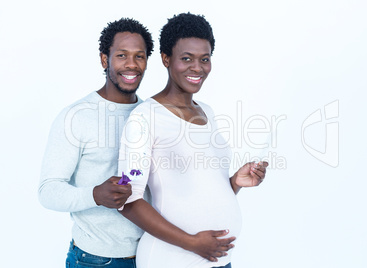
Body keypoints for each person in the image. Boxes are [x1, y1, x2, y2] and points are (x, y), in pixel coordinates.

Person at [38, 17, 234, 268]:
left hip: (154, 253)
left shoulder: (152, 115)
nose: (131, 64)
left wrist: (232, 183)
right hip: (98, 259)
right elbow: (48, 191)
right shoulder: (77, 116)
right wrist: (95, 195)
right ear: (104, 59)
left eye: (139, 56)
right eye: (121, 55)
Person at [118, 13, 269, 268]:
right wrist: (191, 242)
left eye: (205, 59)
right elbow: (127, 201)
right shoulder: (144, 118)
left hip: (219, 261)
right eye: (186, 58)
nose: (197, 67)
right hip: (171, 260)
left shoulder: (207, 112)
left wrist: (235, 183)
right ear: (166, 59)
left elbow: (198, 190)